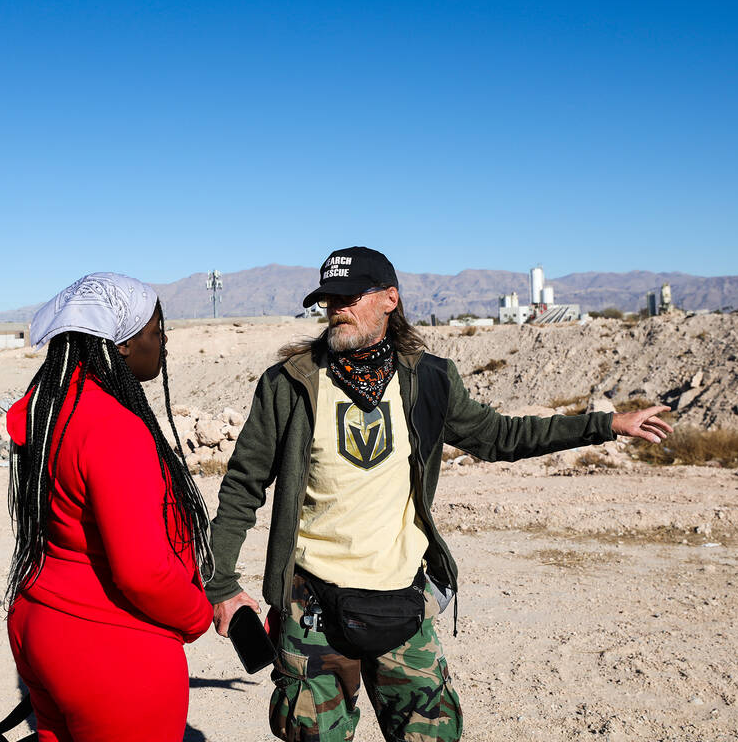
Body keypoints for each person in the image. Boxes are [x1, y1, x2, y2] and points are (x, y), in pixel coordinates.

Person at [207, 246, 673, 742]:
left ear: (390, 299)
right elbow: (242, 486)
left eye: (349, 296)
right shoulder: (290, 384)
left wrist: (605, 424)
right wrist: (222, 586)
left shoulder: (429, 380)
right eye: (328, 298)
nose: (336, 307)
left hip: (403, 600)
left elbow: (501, 436)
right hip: (312, 605)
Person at [5, 273, 213, 742]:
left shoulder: (51, 405)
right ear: (120, 345)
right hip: (111, 649)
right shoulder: (115, 427)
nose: (162, 343)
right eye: (156, 331)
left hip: (42, 626)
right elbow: (142, 571)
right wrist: (198, 613)